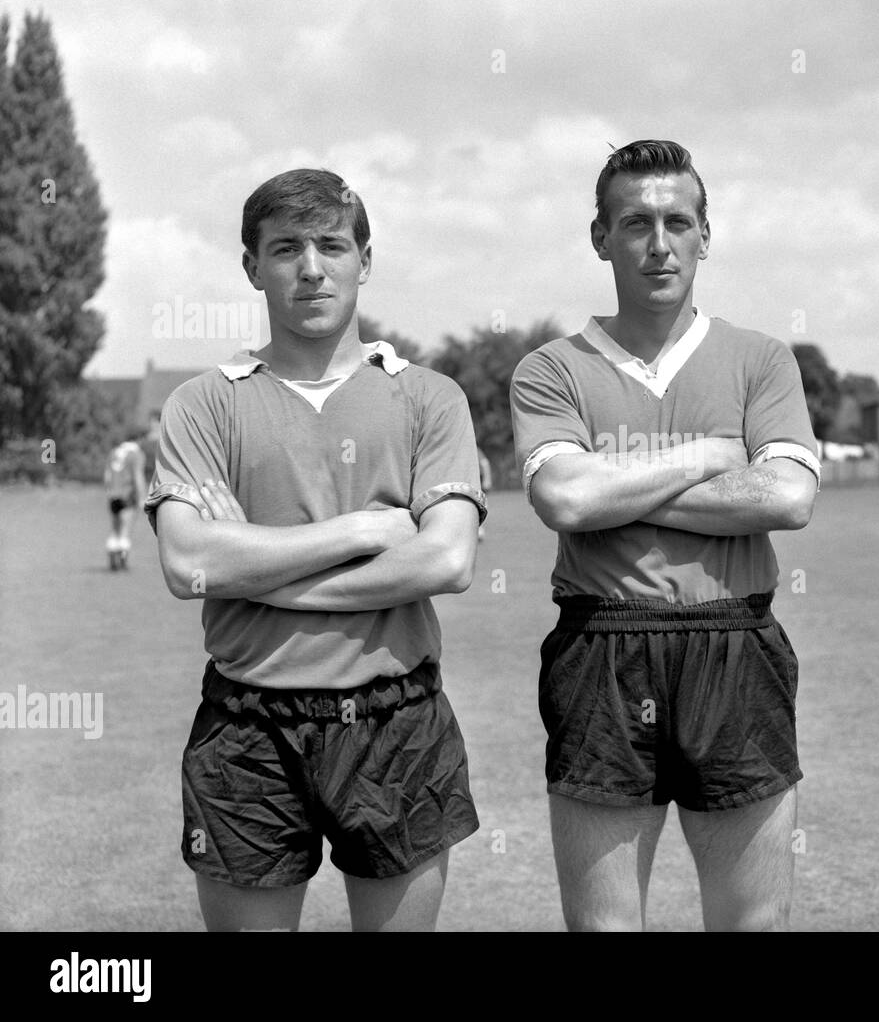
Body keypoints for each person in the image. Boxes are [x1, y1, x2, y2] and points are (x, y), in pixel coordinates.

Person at [145, 168, 485, 931]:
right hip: (247, 726)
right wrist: (363, 530)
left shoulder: (429, 396)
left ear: (365, 259)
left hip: (396, 718)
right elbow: (187, 564)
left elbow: (446, 561)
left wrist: (255, 566)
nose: (310, 266)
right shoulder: (206, 402)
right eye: (286, 247)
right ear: (251, 267)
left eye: (332, 244)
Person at [510, 139, 820, 931]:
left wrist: (619, 486)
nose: (658, 243)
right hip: (601, 646)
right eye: (635, 222)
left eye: (677, 221)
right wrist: (706, 457)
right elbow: (565, 498)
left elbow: (786, 496)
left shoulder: (760, 359)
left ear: (706, 235)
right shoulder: (552, 368)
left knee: (750, 922)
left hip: (736, 641)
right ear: (599, 237)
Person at [104, 431, 147, 570]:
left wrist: (110, 492)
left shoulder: (114, 452)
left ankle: (112, 558)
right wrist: (142, 497)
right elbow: (137, 476)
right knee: (125, 529)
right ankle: (122, 561)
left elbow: (107, 475)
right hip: (127, 494)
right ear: (138, 439)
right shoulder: (136, 454)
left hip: (113, 495)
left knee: (114, 529)